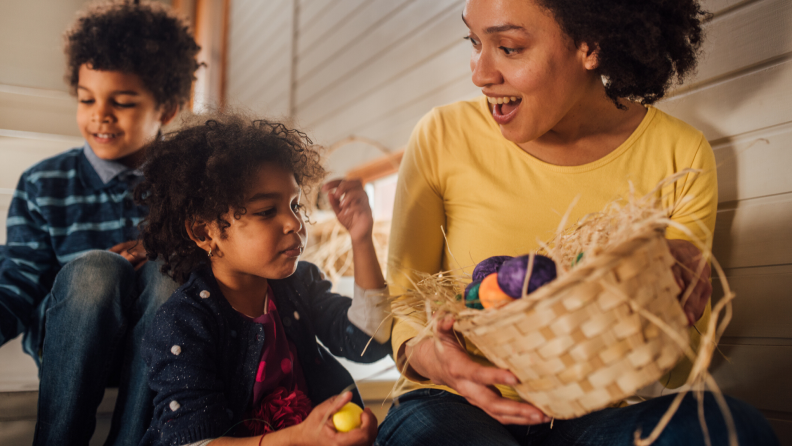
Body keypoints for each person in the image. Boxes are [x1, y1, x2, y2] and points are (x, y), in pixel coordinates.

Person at [378, 0, 779, 445]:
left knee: (727, 428)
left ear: (591, 46)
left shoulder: (679, 155)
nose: (480, 73)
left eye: (508, 47)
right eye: (475, 42)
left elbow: (677, 368)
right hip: (450, 403)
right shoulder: (442, 135)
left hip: (586, 414)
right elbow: (404, 308)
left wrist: (672, 296)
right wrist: (441, 360)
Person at [0, 2, 201, 445]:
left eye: (122, 102)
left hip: (156, 349)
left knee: (171, 269)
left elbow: (226, 262)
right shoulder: (42, 183)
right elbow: (16, 281)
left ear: (166, 108)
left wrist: (163, 246)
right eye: (87, 99)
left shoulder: (195, 186)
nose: (100, 115)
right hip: (73, 346)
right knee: (97, 269)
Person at [136, 114, 392, 446]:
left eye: (295, 204)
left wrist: (361, 237)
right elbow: (194, 442)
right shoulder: (183, 323)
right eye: (266, 211)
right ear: (205, 232)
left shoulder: (300, 285)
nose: (294, 223)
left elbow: (369, 340)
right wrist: (301, 438)